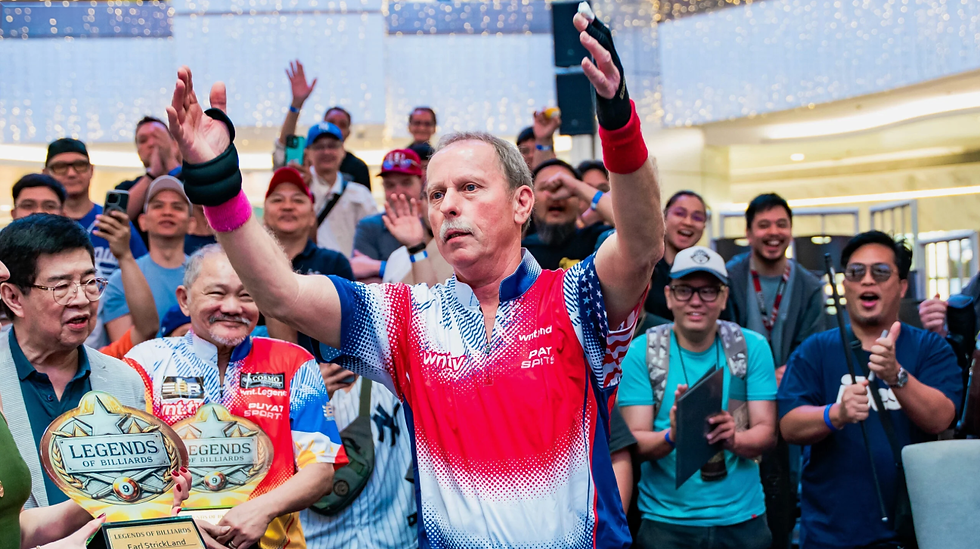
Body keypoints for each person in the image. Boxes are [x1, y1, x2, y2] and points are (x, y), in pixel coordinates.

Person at [165, 8, 662, 546]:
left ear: (523, 203)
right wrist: (217, 183)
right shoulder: (408, 317)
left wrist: (616, 118)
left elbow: (641, 245)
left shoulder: (573, 299)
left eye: (470, 188)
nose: (448, 206)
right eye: (436, 194)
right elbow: (279, 293)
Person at [124, 245, 346, 549]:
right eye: (216, 293)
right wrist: (177, 525)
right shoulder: (144, 363)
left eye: (246, 295)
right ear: (185, 300)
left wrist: (262, 509)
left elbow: (321, 471)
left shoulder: (295, 362)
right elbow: (126, 471)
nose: (231, 307)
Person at [778, 231, 962, 549]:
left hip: (914, 530)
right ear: (844, 285)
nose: (867, 281)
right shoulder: (815, 350)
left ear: (902, 285)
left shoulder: (930, 347)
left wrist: (896, 375)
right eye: (855, 272)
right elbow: (789, 426)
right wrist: (836, 414)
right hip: (830, 534)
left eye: (880, 272)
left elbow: (941, 418)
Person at [618, 246, 777, 549]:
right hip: (666, 521)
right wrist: (674, 436)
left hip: (742, 519)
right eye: (684, 290)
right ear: (668, 296)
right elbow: (635, 443)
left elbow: (767, 434)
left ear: (723, 297)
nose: (695, 301)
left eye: (708, 291)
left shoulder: (750, 347)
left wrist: (734, 438)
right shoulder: (643, 352)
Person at [0, 214, 147, 508]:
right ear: (13, 297)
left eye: (90, 282)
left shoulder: (124, 380)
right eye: (61, 286)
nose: (81, 299)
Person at [300, 364, 418, 549]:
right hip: (321, 538)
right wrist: (306, 401)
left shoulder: (393, 374)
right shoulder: (293, 386)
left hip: (393, 536)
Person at [262, 166, 354, 353]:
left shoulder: (335, 263)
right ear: (264, 214)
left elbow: (349, 329)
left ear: (313, 217)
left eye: (297, 200)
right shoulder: (248, 266)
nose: (287, 206)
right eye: (278, 200)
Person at [43, 138, 148, 280]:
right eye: (60, 167)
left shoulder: (114, 223)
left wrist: (125, 253)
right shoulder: (41, 226)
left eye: (80, 165)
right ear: (46, 173)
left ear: (91, 170)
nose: (71, 173)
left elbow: (145, 274)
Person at [102, 176, 190, 343]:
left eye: (177, 207)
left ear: (192, 223)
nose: (167, 212)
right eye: (157, 206)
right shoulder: (120, 281)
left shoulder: (207, 275)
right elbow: (125, 352)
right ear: (142, 222)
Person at [273, 60, 371, 187]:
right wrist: (296, 104)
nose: (326, 153)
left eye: (342, 124)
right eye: (331, 122)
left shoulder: (357, 169)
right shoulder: (303, 164)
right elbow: (282, 149)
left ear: (348, 133)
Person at [521, 158, 613, 270]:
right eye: (546, 187)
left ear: (579, 200)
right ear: (531, 198)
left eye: (563, 187)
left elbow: (632, 231)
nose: (555, 196)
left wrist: (576, 187)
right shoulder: (520, 252)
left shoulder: (597, 239)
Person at [92, 209, 160, 359]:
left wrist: (124, 255)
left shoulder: (98, 363)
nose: (77, 298)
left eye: (89, 284)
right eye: (61, 287)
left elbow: (147, 329)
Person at [352, 149, 425, 280]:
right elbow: (368, 286)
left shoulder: (435, 222)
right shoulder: (368, 226)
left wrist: (378, 267)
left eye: (406, 183)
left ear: (421, 183)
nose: (398, 192)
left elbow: (442, 276)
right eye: (390, 185)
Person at [645, 191, 708, 323]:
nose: (688, 222)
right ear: (664, 217)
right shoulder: (646, 266)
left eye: (697, 218)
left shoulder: (708, 272)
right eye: (680, 214)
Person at [115, 116, 183, 234]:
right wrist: (152, 174)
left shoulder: (194, 179)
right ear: (138, 152)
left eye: (158, 137)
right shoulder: (126, 187)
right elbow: (116, 219)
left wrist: (172, 164)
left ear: (174, 144)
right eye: (143, 140)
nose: (152, 143)